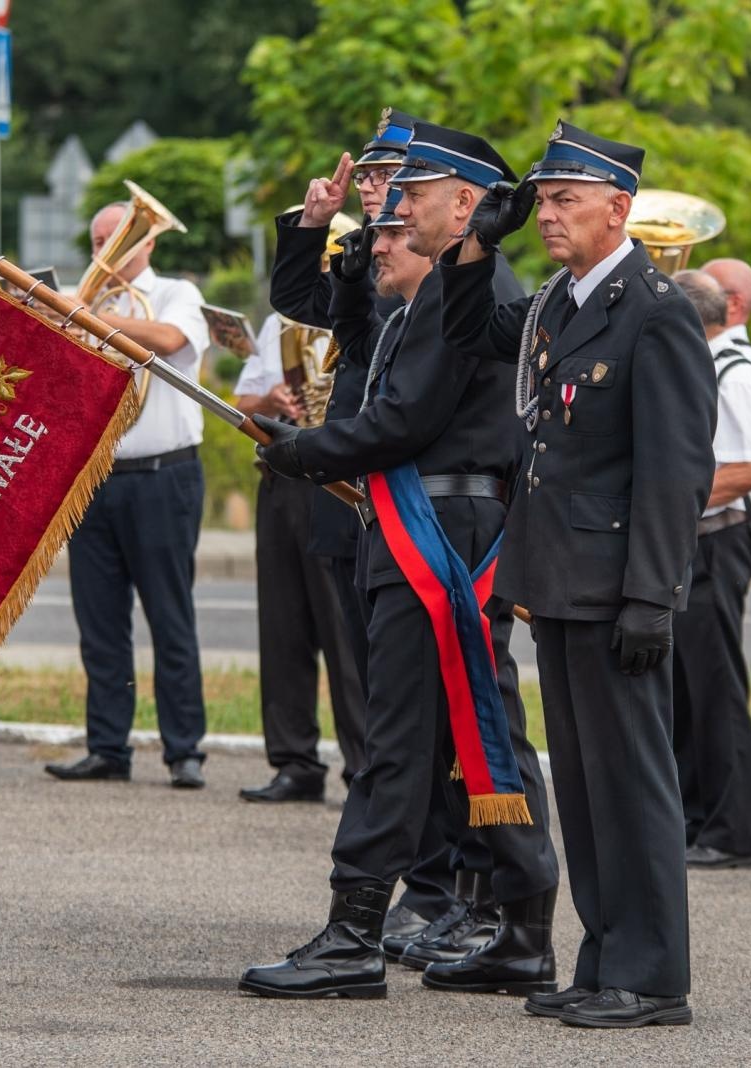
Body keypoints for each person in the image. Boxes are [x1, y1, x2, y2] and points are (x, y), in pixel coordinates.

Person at [241, 124, 558, 1004]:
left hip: (436, 520)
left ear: (465, 204)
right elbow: (348, 343)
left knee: (401, 740)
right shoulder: (434, 292)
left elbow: (407, 418)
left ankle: (353, 937)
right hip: (433, 513)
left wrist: (307, 451)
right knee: (476, 729)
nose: (392, 207)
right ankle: (523, 932)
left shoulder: (467, 290)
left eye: (411, 195)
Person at [440, 121, 718, 1028]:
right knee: (588, 788)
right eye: (545, 200)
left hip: (614, 589)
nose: (550, 215)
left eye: (565, 200)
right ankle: (605, 962)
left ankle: (653, 980)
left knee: (632, 784)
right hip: (557, 579)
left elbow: (676, 471)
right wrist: (486, 234)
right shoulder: (560, 301)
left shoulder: (657, 307)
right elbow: (470, 327)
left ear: (619, 208)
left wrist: (653, 596)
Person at [265, 109, 465, 953]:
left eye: (396, 182)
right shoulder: (374, 258)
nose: (380, 198)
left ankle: (442, 883)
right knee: (387, 710)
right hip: (359, 504)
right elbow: (301, 303)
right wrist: (315, 228)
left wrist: (315, 451)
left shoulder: (446, 272)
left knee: (416, 718)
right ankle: (418, 877)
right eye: (377, 180)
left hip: (412, 501)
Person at [45, 201, 212, 789]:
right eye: (96, 242)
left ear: (147, 244)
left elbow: (169, 341)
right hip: (96, 478)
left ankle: (184, 749)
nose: (104, 253)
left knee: (171, 618)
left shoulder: (174, 294)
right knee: (101, 623)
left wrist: (88, 316)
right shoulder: (82, 302)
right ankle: (108, 746)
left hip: (165, 476)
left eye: (116, 239)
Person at [234, 308, 367, 803]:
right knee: (283, 627)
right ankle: (295, 762)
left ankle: (365, 766)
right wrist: (270, 400)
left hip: (334, 480)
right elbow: (243, 403)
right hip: (281, 481)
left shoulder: (371, 314)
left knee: (343, 629)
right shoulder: (279, 324)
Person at [672, 265, 751, 870]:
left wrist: (665, 498)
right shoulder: (708, 362)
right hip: (694, 540)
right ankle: (694, 818)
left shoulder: (736, 371)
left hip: (718, 541)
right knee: (685, 688)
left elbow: (749, 470)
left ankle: (733, 833)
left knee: (717, 690)